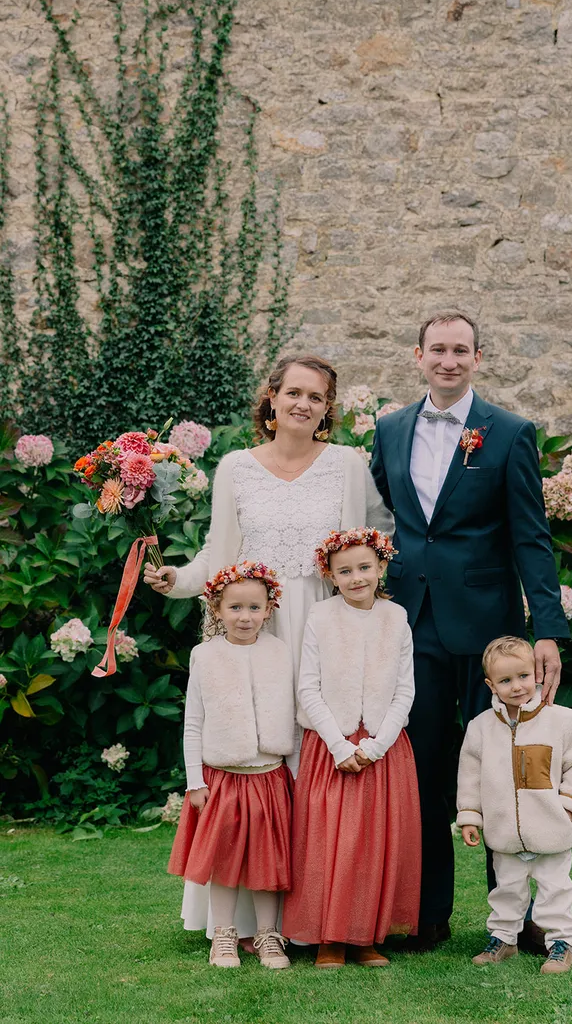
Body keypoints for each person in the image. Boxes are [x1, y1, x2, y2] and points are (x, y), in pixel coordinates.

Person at [144, 354, 393, 941]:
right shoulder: (236, 466)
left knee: (314, 759)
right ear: (272, 399)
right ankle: (244, 919)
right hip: (255, 630)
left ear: (328, 410)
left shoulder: (348, 466)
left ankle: (314, 915)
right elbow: (218, 554)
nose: (305, 404)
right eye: (295, 393)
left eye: (318, 397)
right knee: (253, 764)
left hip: (326, 625)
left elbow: (378, 539)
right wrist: (174, 579)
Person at [370, 310, 571, 951]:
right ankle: (427, 915)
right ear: (418, 355)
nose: (448, 360)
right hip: (414, 624)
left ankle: (515, 919)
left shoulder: (509, 433)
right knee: (425, 769)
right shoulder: (389, 429)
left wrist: (547, 630)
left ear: (478, 358)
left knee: (508, 771)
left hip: (492, 635)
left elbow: (531, 537)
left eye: (461, 350)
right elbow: (383, 520)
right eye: (438, 350)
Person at [282, 527, 421, 969]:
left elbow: (405, 690)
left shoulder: (396, 618)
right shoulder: (321, 618)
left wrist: (378, 745)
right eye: (345, 571)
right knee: (329, 842)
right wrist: (339, 745)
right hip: (332, 747)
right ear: (331, 575)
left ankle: (366, 936)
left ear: (382, 566)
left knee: (374, 844)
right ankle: (329, 938)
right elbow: (308, 687)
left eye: (365, 567)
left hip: (383, 745)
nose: (357, 577)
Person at [168, 561, 295, 969]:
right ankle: (223, 935)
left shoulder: (280, 652)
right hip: (223, 777)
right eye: (235, 608)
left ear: (269, 609)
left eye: (254, 608)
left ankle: (268, 935)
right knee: (224, 861)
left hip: (269, 776)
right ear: (216, 610)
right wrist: (194, 781)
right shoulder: (205, 656)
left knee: (269, 862)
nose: (245, 617)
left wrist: (294, 773)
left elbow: (292, 718)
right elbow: (194, 722)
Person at [457, 635, 572, 974]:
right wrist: (470, 816)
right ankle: (504, 938)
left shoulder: (563, 720)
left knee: (555, 889)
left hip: (551, 828)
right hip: (504, 831)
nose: (516, 686)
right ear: (490, 684)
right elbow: (470, 774)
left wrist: (568, 804)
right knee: (507, 890)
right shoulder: (481, 728)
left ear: (536, 673)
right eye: (505, 680)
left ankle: (563, 943)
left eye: (522, 676)